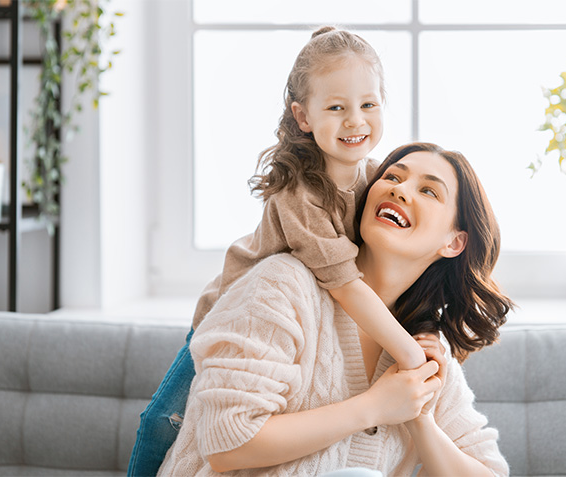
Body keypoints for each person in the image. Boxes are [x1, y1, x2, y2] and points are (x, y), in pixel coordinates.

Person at [128, 26, 426, 476]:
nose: (355, 121)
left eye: (368, 104)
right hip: (230, 317)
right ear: (303, 116)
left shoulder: (374, 181)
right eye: (336, 108)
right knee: (160, 422)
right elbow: (346, 286)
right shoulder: (299, 193)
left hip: (292, 325)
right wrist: (409, 354)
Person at [157, 142, 514, 476]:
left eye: (428, 191)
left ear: (454, 242)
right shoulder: (283, 285)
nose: (399, 189)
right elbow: (225, 441)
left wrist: (419, 416)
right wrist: (374, 407)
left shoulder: (427, 357)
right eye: (392, 176)